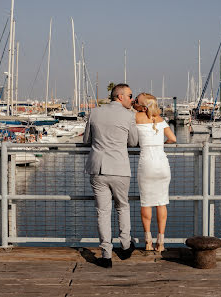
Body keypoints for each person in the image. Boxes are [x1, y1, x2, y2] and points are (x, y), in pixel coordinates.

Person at [83, 83, 138, 268]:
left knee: (103, 212)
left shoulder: (95, 112)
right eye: (130, 96)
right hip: (120, 168)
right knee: (122, 207)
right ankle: (125, 246)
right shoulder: (129, 115)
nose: (132, 99)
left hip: (98, 168)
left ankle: (106, 255)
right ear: (120, 96)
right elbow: (133, 141)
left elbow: (86, 139)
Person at [133, 93, 176, 252]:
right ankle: (161, 243)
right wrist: (161, 144)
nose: (134, 103)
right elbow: (173, 139)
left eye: (136, 101)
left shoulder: (137, 117)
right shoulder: (160, 119)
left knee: (146, 202)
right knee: (161, 202)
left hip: (147, 164)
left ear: (143, 105)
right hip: (162, 163)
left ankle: (148, 242)